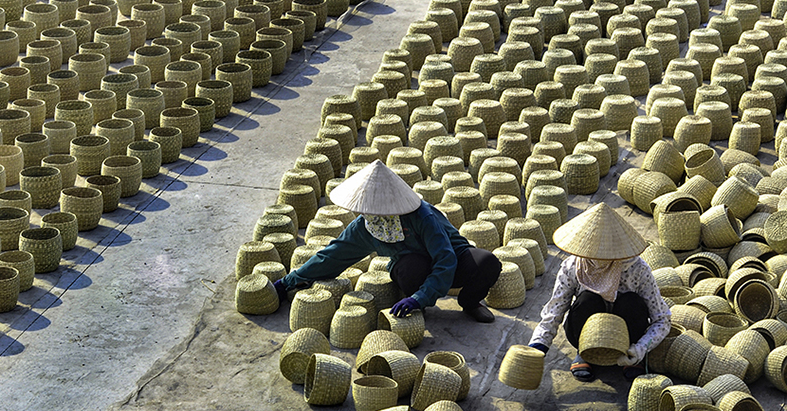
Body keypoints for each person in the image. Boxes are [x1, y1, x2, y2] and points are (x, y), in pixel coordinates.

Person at [274, 160, 502, 322]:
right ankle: (417, 301)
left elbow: (446, 258)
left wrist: (421, 297)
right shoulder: (366, 226)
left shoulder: (422, 216)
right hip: (415, 267)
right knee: (408, 267)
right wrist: (289, 282)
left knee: (487, 262)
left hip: (454, 260)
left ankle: (470, 302)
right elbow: (333, 256)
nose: (371, 214)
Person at [528, 203, 671, 381]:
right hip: (585, 330)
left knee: (631, 302)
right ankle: (585, 352)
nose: (595, 257)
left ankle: (630, 359)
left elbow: (662, 319)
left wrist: (640, 348)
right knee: (588, 298)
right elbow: (555, 309)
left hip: (627, 335)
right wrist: (538, 345)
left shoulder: (636, 269)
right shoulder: (574, 266)